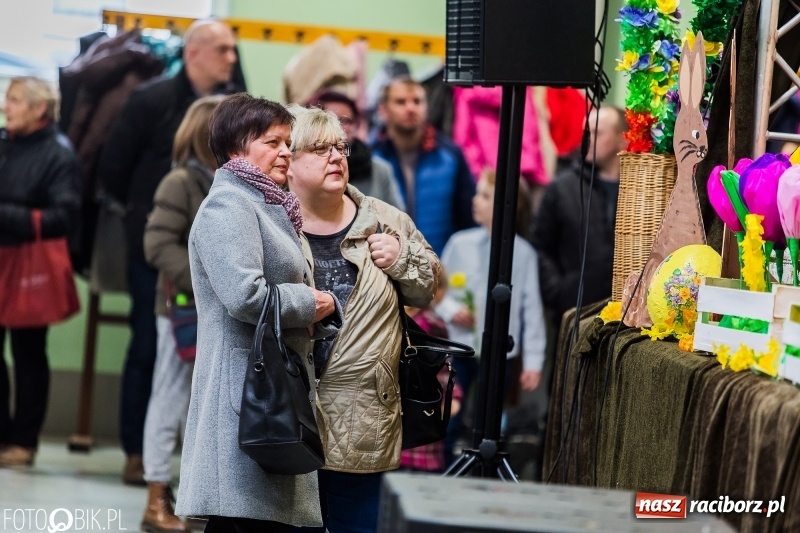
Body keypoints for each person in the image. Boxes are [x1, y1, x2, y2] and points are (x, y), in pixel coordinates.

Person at [174, 94, 341, 533]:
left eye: (288, 141)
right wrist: (313, 302)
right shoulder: (228, 205)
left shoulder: (267, 204)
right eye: (273, 142)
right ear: (236, 148)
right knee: (243, 521)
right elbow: (245, 294)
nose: (286, 151)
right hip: (245, 398)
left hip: (265, 391)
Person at [95, 19, 241, 484]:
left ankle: (192, 470)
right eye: (223, 49)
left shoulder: (236, 100)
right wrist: (148, 218)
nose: (232, 59)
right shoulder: (151, 99)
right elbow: (112, 168)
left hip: (215, 266)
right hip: (157, 252)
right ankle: (138, 455)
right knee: (148, 351)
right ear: (195, 52)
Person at [286, 104, 440, 533]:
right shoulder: (271, 223)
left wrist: (402, 258)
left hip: (364, 420)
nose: (336, 157)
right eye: (319, 148)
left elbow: (427, 289)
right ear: (289, 161)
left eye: (340, 146)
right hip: (289, 418)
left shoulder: (386, 219)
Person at [140, 95, 223, 533]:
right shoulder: (180, 182)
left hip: (215, 312)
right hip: (180, 311)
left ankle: (194, 500)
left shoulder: (227, 183)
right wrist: (209, 282)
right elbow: (157, 246)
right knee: (169, 400)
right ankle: (156, 497)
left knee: (202, 408)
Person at [437, 168, 546, 466]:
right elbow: (436, 290)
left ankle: (488, 470)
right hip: (459, 347)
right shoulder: (460, 243)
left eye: (484, 196)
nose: (475, 201)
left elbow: (530, 309)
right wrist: (450, 311)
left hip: (501, 352)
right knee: (450, 412)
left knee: (492, 419)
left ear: (506, 206)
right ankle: (443, 468)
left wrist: (534, 361)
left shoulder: (523, 254)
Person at [0, 77, 81, 466]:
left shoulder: (59, 154)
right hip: (2, 258)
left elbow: (64, 217)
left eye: (14, 100)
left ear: (39, 109)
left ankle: (23, 442)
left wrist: (7, 215)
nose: (6, 107)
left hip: (28, 264)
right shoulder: (4, 142)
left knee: (28, 353)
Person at [531, 106, 628, 331]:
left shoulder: (640, 189)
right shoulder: (562, 188)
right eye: (586, 132)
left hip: (625, 319)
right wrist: (560, 291)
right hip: (573, 313)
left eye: (597, 133)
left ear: (623, 139)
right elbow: (540, 246)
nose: (588, 139)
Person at [371, 76, 476, 255]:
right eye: (401, 102)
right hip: (385, 264)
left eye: (417, 101)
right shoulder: (372, 156)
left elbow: (468, 218)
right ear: (384, 110)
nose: (410, 108)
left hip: (440, 266)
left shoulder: (450, 155)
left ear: (426, 107)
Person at [306, 90, 405, 210]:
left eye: (346, 121)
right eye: (330, 120)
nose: (339, 127)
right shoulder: (301, 170)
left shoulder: (379, 170)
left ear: (357, 125)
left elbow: (398, 223)